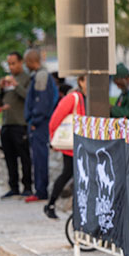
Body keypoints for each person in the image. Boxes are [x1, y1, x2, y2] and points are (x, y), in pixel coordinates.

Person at [45, 75, 86, 219]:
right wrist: (53, 140)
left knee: (78, 176)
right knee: (68, 173)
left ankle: (77, 210)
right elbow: (55, 118)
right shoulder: (73, 98)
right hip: (72, 145)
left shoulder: (92, 99)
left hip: (85, 145)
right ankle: (51, 204)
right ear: (81, 81)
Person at [24, 49, 58, 202]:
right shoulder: (42, 75)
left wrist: (34, 120)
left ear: (31, 61)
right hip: (40, 122)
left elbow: (41, 101)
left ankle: (41, 191)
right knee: (38, 157)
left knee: (39, 158)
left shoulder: (41, 76)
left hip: (39, 124)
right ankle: (40, 189)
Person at [0, 52, 33, 198]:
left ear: (20, 63)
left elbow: (28, 97)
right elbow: (1, 100)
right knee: (9, 158)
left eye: (13, 63)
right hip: (7, 123)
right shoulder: (8, 80)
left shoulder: (27, 79)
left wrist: (16, 85)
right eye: (9, 64)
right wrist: (1, 88)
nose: (11, 67)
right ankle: (13, 186)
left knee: (24, 157)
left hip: (20, 124)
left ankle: (27, 187)